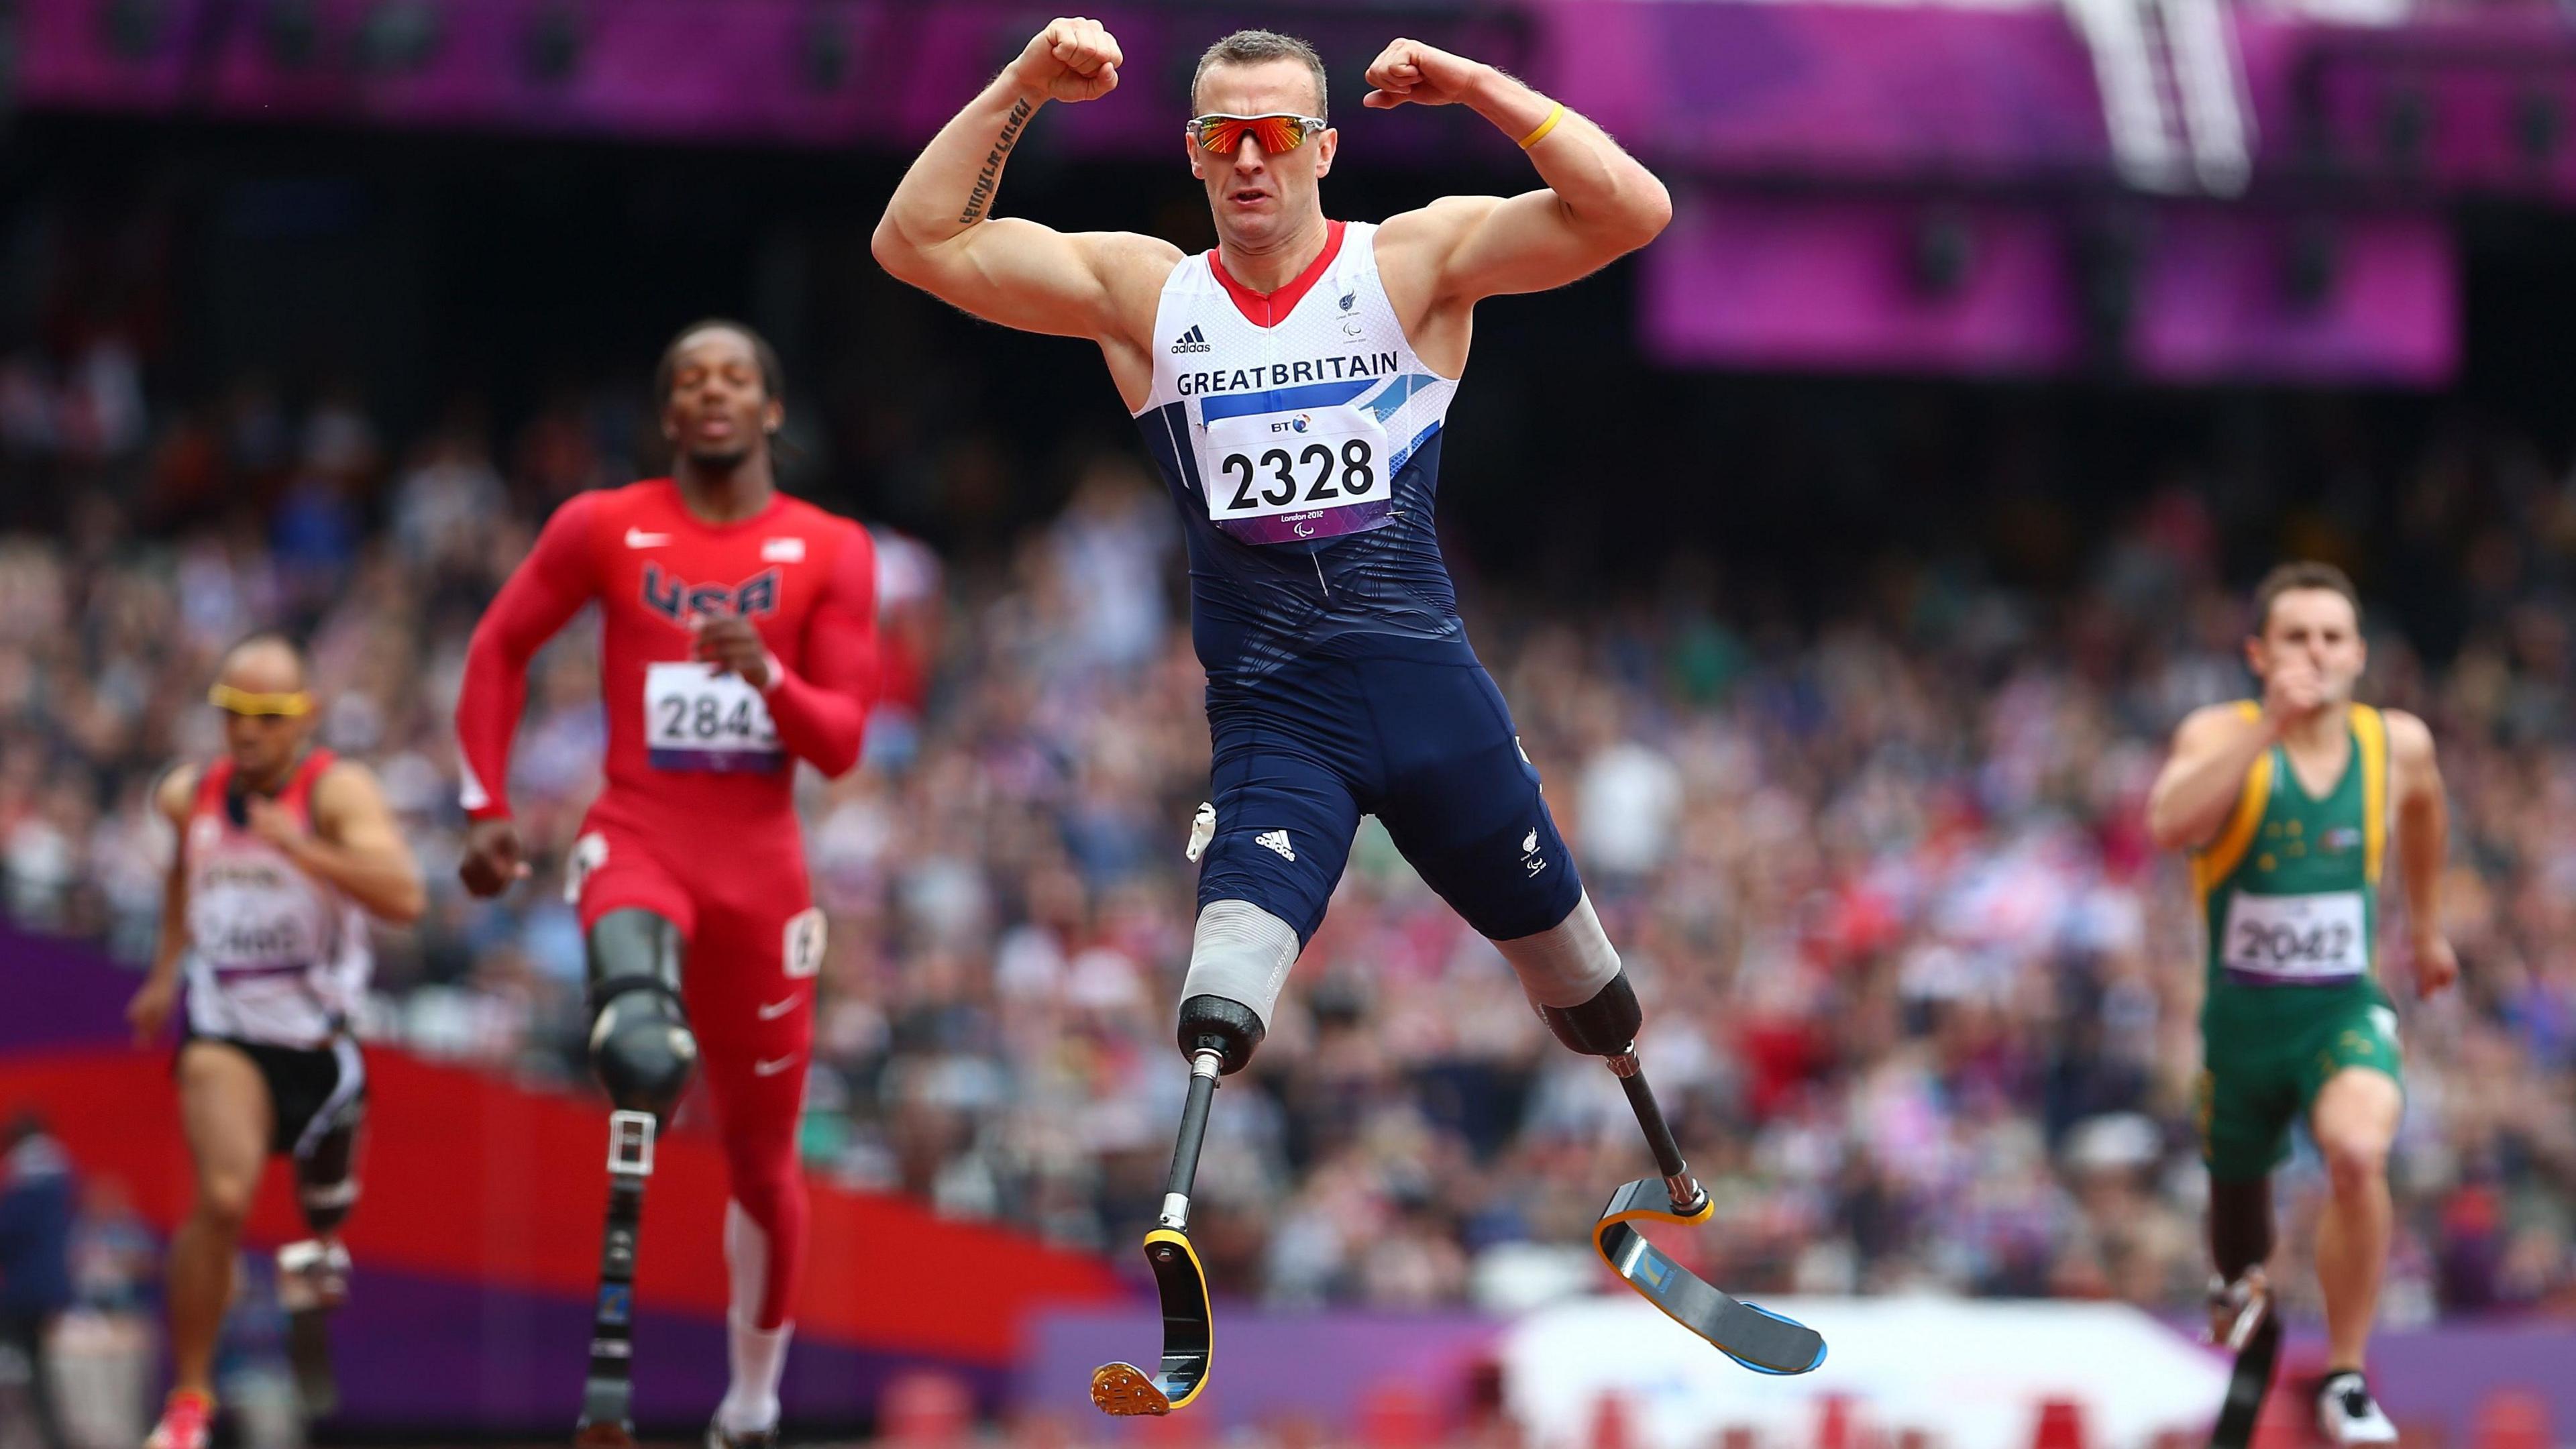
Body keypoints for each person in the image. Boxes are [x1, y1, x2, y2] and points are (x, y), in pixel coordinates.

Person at [874, 11, 1677, 1262]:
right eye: (1224, 137)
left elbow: (1631, 212)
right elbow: (915, 242)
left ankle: (1667, 1175)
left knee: (1577, 973)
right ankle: (1178, 1228)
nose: (1251, 160)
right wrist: (1023, 86)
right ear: (1195, 155)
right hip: (1274, 718)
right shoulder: (1146, 292)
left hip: (1433, 708)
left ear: (1323, 148)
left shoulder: (1410, 263)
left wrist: (1473, 85)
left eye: (1276, 134)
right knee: (1225, 981)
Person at [453, 320, 877, 1449]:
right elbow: (498, 650)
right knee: (637, 1039)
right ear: (668, 415)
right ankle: (610, 1348)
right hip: (637, 836)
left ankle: (751, 1398)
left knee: (762, 1157)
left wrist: (768, 675)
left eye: (736, 375)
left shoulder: (831, 549)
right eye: (689, 380)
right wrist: (485, 811)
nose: (712, 392)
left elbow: (839, 742)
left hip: (761, 874)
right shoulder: (604, 525)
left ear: (772, 410)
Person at [2146, 562, 2458, 1446]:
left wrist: (2428, 928)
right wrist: (2270, 730)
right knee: (2240, 1260)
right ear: (2258, 653)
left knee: (2359, 1153)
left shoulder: (2396, 745)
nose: (2315, 653)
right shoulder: (2220, 731)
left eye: (2332, 637)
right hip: (2242, 1032)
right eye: (2295, 637)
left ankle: (2347, 1376)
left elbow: (2428, 811)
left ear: (2359, 654)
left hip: (2340, 1013)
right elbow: (2169, 824)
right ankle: (2250, 1348)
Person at [128, 635, 426, 1449]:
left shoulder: (337, 794)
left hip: (321, 1043)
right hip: (226, 1026)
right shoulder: (189, 795)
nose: (247, 733)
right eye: (234, 715)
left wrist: (300, 848)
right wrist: (164, 972)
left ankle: (312, 1297)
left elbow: (405, 895)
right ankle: (189, 1403)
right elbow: (181, 873)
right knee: (223, 1198)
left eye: (267, 717)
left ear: (305, 718)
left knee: (322, 1222)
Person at [0, 1113, 75, 1449]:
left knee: (27, 1369)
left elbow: (7, 1233)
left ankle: (48, 1436)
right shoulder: (60, 1179)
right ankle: (53, 1437)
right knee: (37, 1369)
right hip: (48, 1291)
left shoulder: (28, 1181)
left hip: (22, 1293)